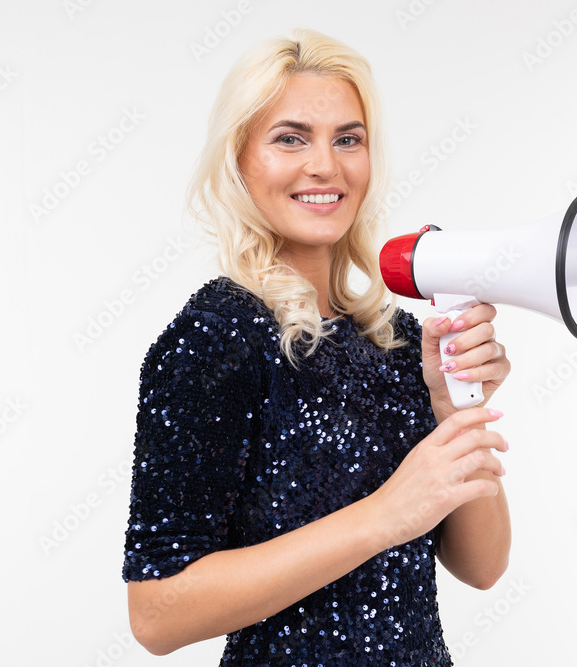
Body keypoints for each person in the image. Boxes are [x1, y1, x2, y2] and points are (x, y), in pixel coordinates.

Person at [122, 28, 512, 665]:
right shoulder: (218, 337)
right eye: (290, 138)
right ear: (240, 159)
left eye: (348, 139)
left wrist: (456, 410)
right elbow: (156, 614)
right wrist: (384, 515)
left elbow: (484, 565)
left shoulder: (395, 340)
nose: (325, 165)